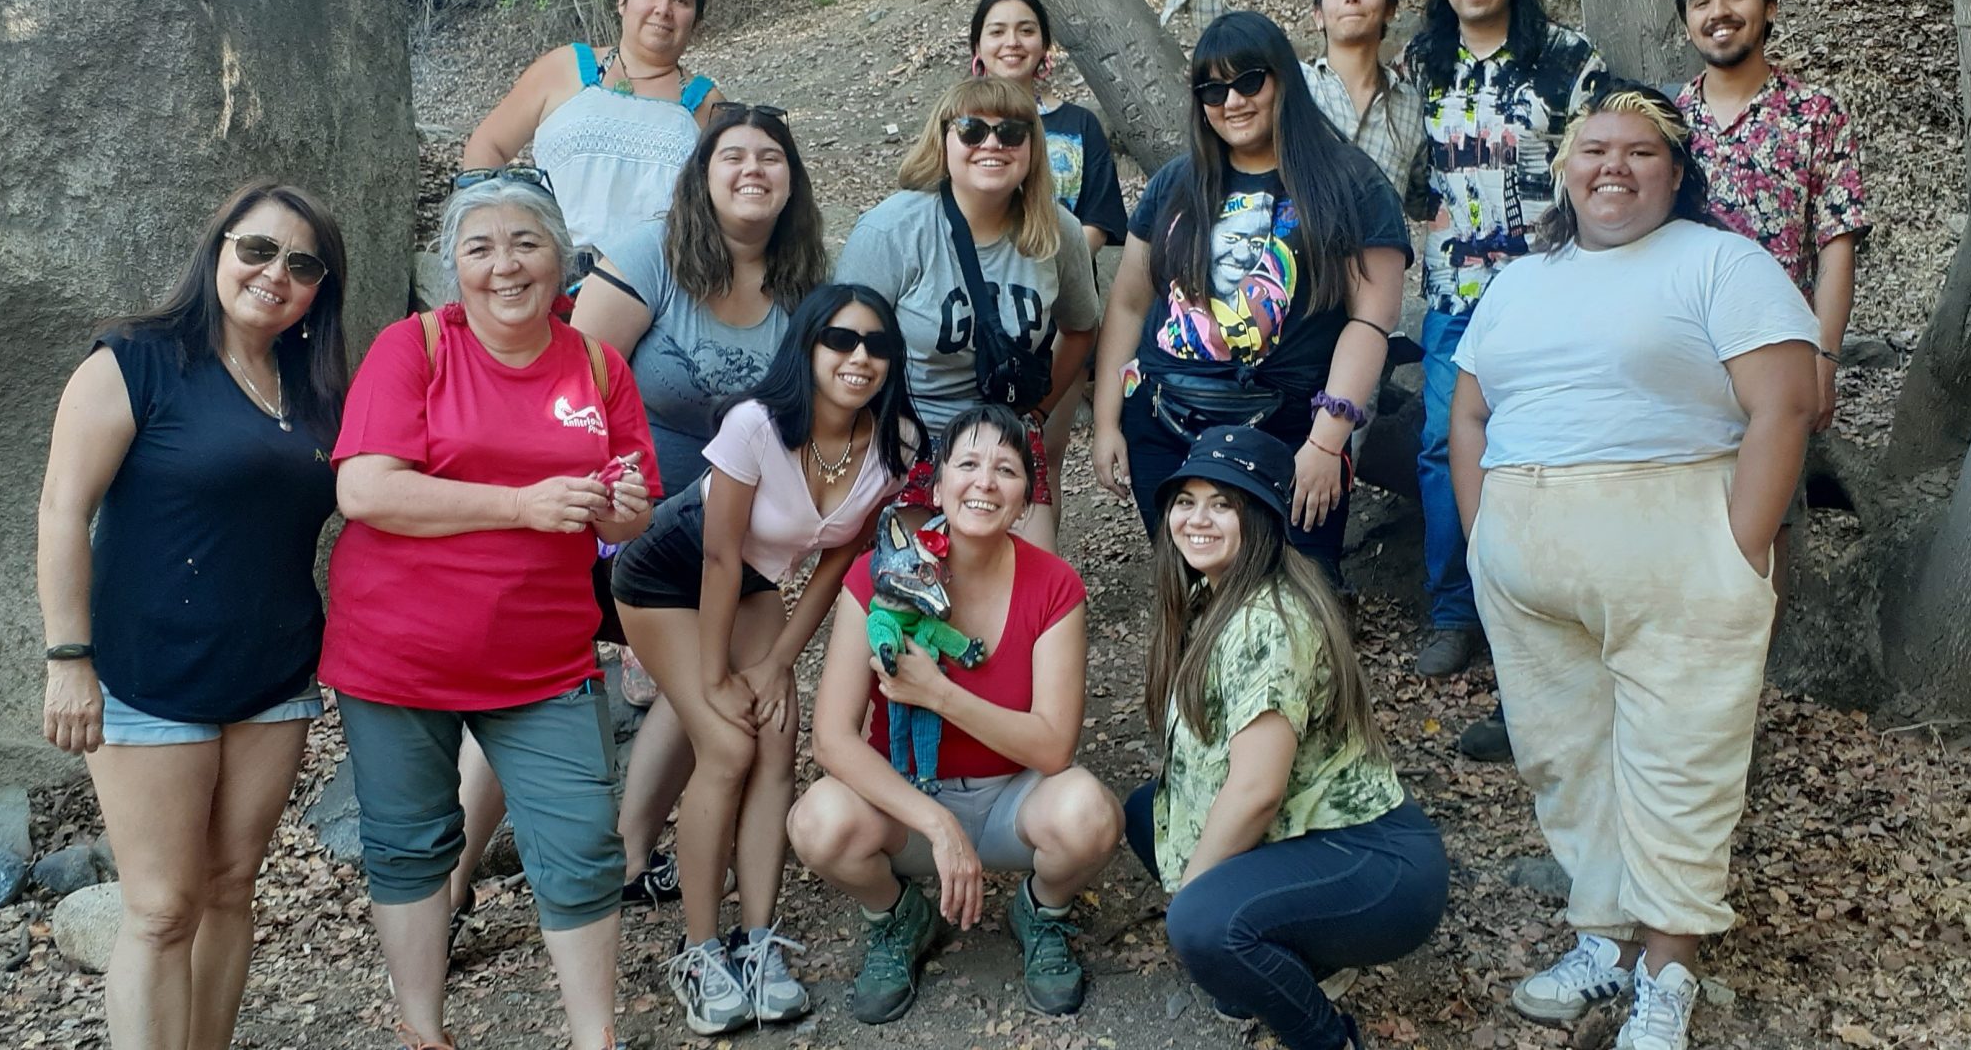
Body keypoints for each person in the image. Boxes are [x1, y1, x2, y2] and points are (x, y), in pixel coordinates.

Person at [1447, 83, 1817, 1050]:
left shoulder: (1722, 262)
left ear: (1678, 172)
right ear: (1565, 169)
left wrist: (1739, 546)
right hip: (1527, 568)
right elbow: (1472, 411)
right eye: (1594, 149)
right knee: (1565, 757)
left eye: (1641, 152)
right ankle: (1607, 939)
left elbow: (1785, 403)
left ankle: (1667, 969)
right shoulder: (1520, 280)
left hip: (1679, 554)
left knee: (1679, 759)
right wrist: (1485, 539)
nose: (1613, 165)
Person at [441, 104, 835, 930]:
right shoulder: (656, 255)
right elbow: (569, 379)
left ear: (792, 180)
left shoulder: (806, 286)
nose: (752, 170)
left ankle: (629, 853)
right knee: (531, 687)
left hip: (721, 536)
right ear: (701, 174)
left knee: (720, 682)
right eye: (732, 155)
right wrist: (578, 501)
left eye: (771, 156)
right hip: (608, 510)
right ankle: (451, 884)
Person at [322, 174, 660, 1050]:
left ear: (562, 259)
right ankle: (423, 1030)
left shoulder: (598, 366)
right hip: (399, 654)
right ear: (454, 268)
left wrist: (621, 508)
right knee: (409, 842)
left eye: (526, 243)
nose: (505, 265)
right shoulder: (415, 348)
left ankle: (595, 1038)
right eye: (480, 247)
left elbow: (629, 509)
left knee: (582, 843)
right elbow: (365, 490)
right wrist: (520, 504)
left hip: (543, 657)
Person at [36, 181, 349, 1050]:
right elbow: (62, 509)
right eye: (257, 249)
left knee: (230, 887)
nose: (275, 273)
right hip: (147, 672)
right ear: (219, 249)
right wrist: (69, 657)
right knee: (162, 908)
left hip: (273, 674)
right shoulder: (135, 360)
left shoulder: (317, 387)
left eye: (303, 264)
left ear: (320, 289)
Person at [612, 285, 923, 1034]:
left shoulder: (896, 442)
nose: (859, 357)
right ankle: (698, 949)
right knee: (727, 744)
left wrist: (781, 660)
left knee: (777, 735)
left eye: (878, 345)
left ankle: (757, 942)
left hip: (754, 585)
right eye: (841, 340)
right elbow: (718, 555)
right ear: (808, 346)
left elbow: (837, 562)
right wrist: (715, 676)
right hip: (666, 577)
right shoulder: (756, 423)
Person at [787, 407, 1122, 1024]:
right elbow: (831, 740)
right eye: (968, 464)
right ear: (938, 487)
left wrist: (938, 693)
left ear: (1025, 501)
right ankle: (898, 916)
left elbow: (1053, 748)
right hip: (907, 802)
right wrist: (938, 824)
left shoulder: (1054, 585)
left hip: (1012, 800)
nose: (985, 482)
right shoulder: (878, 576)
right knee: (817, 821)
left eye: (1007, 470)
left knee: (1091, 815)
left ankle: (1042, 910)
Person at [1124, 427, 1449, 1050]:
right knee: (1149, 813)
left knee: (1202, 922)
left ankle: (1327, 1038)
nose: (1197, 519)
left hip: (1377, 863)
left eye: (1223, 504)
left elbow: (1256, 792)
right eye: (1186, 501)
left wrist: (1194, 898)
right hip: (1316, 834)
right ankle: (1299, 957)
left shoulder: (1267, 624)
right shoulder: (1213, 594)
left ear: (1263, 519)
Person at [1091, 10, 1410, 581]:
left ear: (1282, 78)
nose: (1232, 101)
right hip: (1164, 423)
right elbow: (1130, 303)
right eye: (1213, 90)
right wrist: (1107, 422)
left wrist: (1327, 440)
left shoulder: (1350, 182)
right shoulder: (1174, 184)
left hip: (1289, 429)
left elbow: (1370, 321)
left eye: (1248, 81)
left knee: (1298, 595)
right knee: (1192, 592)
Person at [1404, 0, 1609, 766]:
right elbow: (1404, 165)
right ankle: (1458, 612)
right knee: (1439, 444)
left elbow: (1598, 163)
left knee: (1544, 449)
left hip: (1547, 287)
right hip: (1454, 291)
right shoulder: (1423, 62)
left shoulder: (1567, 58)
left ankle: (1545, 612)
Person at [1673, 0, 1870, 591]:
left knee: (1770, 525)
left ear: (1770, 7)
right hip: (1679, 351)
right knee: (1674, 512)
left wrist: (1825, 358)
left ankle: (1755, 651)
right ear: (1686, 22)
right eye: (1701, 2)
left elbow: (1836, 241)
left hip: (1776, 355)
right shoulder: (1668, 123)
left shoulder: (1815, 114)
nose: (1719, 12)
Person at [835, 77, 1098, 550]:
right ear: (944, 141)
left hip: (1005, 438)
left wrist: (1036, 412)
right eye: (972, 130)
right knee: (909, 582)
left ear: (1032, 148)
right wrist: (873, 434)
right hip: (912, 437)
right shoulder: (893, 231)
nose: (992, 144)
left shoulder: (1058, 231)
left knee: (1035, 580)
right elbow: (837, 349)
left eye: (1011, 133)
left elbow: (1080, 328)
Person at [1148, 0, 1424, 200]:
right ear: (1318, 15)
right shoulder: (1291, 83)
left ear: (1391, 9)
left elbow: (1426, 194)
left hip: (1381, 234)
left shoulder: (1413, 106)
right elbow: (1219, 22)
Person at [460, 0, 727, 270]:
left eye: (681, 0)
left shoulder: (706, 104)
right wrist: (502, 238)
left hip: (657, 284)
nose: (663, 9)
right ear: (622, 0)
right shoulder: (565, 67)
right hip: (552, 275)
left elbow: (728, 206)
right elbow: (487, 146)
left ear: (696, 19)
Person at [967, 0, 1130, 504]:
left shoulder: (1079, 126)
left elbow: (1099, 221)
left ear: (1044, 45)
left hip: (1058, 316)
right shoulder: (959, 126)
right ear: (977, 47)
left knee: (1039, 461)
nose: (1012, 42)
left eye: (1026, 29)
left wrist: (1039, 267)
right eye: (997, 31)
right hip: (969, 313)